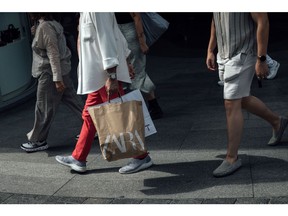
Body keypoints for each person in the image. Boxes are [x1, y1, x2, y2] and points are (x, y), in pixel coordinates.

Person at [55, 12, 153, 174]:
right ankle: (78, 158)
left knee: (119, 116)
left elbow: (107, 39)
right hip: (98, 76)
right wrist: (127, 60)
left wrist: (113, 75)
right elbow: (116, 35)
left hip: (104, 75)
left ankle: (142, 157)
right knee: (89, 115)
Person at [206, 12, 288, 177]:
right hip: (224, 54)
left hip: (244, 53)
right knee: (241, 98)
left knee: (231, 102)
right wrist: (210, 49)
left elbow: (262, 21)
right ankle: (277, 122)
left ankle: (232, 157)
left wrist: (261, 59)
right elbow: (215, 19)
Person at [21, 13, 84, 152]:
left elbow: (53, 53)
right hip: (61, 70)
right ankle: (93, 127)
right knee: (74, 101)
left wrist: (57, 78)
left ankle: (38, 139)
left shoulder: (45, 26)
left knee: (43, 107)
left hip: (49, 73)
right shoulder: (52, 23)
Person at [115, 13, 163, 120]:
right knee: (135, 71)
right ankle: (153, 106)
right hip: (120, 31)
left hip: (127, 31)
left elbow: (136, 16)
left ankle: (152, 107)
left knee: (136, 71)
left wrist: (141, 41)